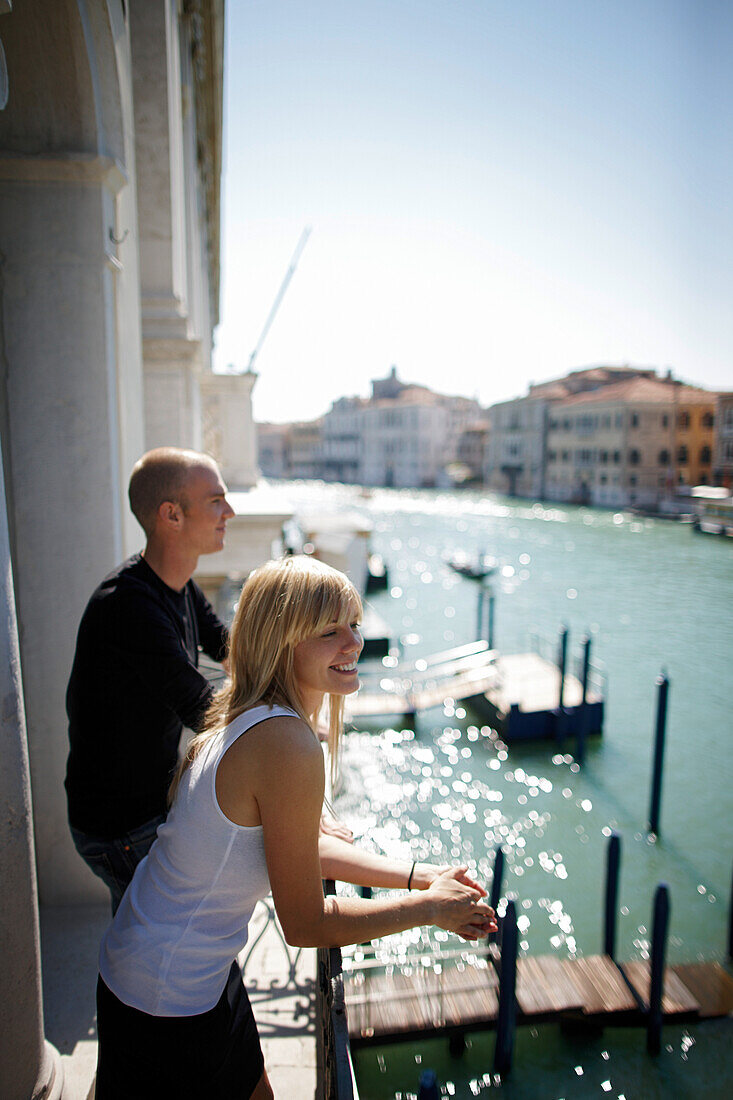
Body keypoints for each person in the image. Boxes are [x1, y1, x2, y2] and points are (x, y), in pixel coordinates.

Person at [95, 555, 497, 1099]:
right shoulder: (286, 743)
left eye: (354, 623)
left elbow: (297, 849)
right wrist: (431, 911)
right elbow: (305, 924)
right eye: (329, 631)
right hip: (167, 995)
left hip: (165, 964)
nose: (354, 642)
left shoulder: (246, 717)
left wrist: (422, 875)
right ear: (281, 641)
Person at [65, 447, 235, 911]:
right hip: (119, 826)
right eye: (216, 501)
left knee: (161, 947)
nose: (230, 512)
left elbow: (229, 649)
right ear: (171, 515)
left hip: (147, 808)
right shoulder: (127, 604)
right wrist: (285, 726)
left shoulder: (178, 584)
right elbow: (203, 709)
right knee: (167, 949)